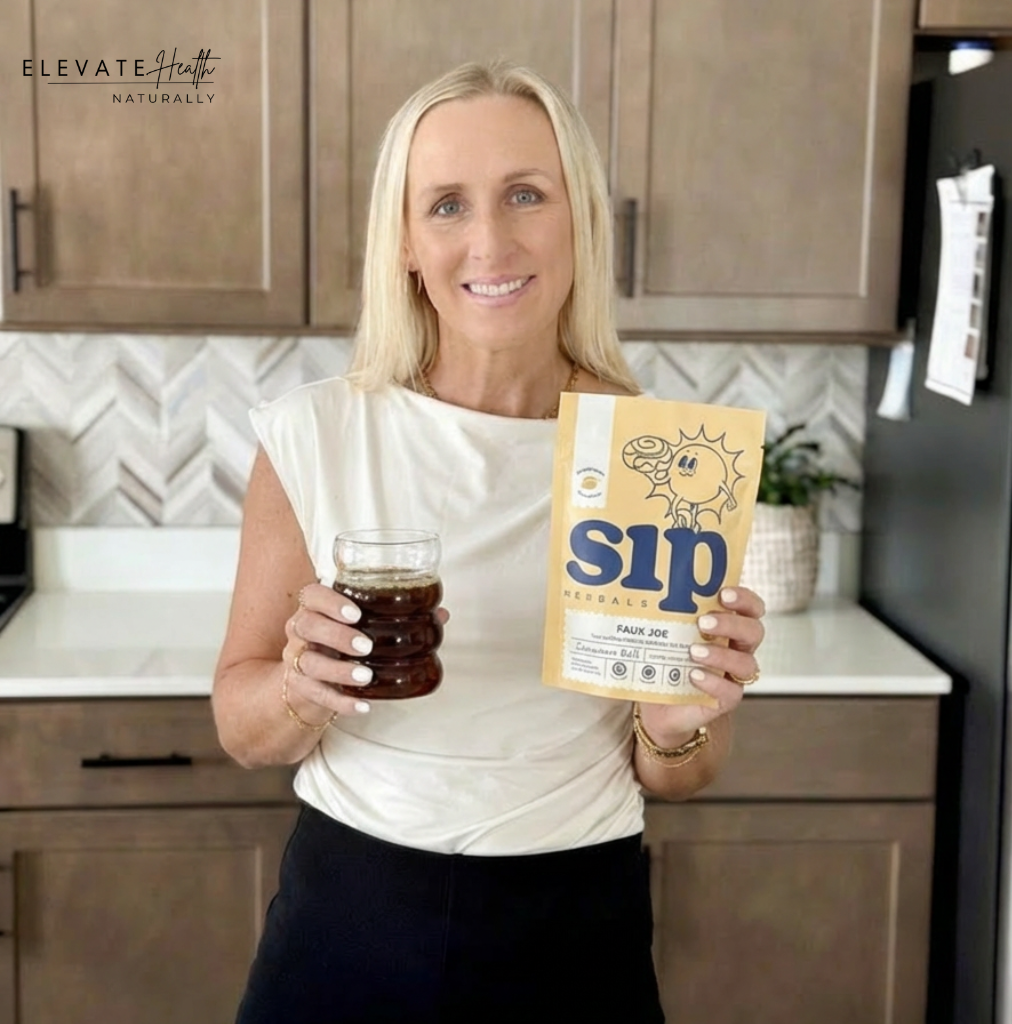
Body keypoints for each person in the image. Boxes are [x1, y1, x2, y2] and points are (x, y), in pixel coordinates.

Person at [213, 58, 765, 1024]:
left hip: (575, 925)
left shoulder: (663, 459)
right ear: (404, 242)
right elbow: (240, 725)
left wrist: (678, 724)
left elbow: (681, 773)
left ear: (580, 217)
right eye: (447, 206)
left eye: (525, 194)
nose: (491, 241)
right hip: (351, 915)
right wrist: (301, 686)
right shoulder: (315, 434)